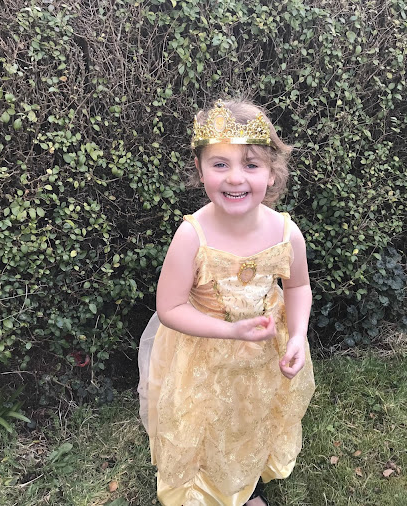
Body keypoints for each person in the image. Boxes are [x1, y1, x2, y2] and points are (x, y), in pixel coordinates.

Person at [138, 98, 315, 506]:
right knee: (203, 423)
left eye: (251, 165)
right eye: (220, 164)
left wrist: (297, 335)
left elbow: (298, 287)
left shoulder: (286, 233)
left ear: (272, 172)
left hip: (265, 356)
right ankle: (201, 492)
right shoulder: (191, 237)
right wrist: (230, 331)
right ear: (200, 170)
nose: (235, 178)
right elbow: (170, 308)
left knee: (249, 418)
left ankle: (247, 487)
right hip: (203, 357)